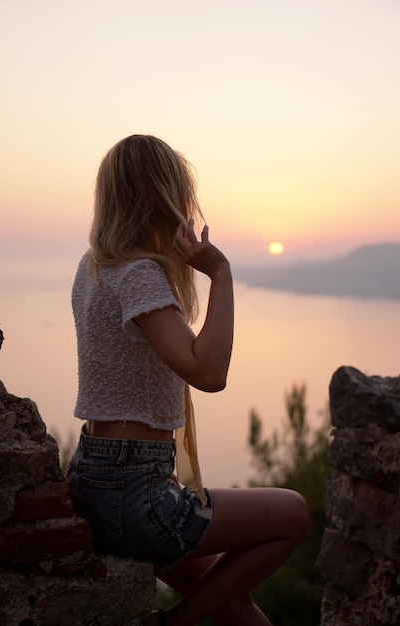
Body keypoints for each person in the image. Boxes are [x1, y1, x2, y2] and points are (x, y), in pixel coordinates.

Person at [67, 134, 310, 626]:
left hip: (95, 478)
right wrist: (220, 274)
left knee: (238, 608)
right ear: (162, 198)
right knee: (294, 515)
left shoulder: (93, 268)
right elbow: (209, 371)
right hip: (135, 494)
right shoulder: (138, 275)